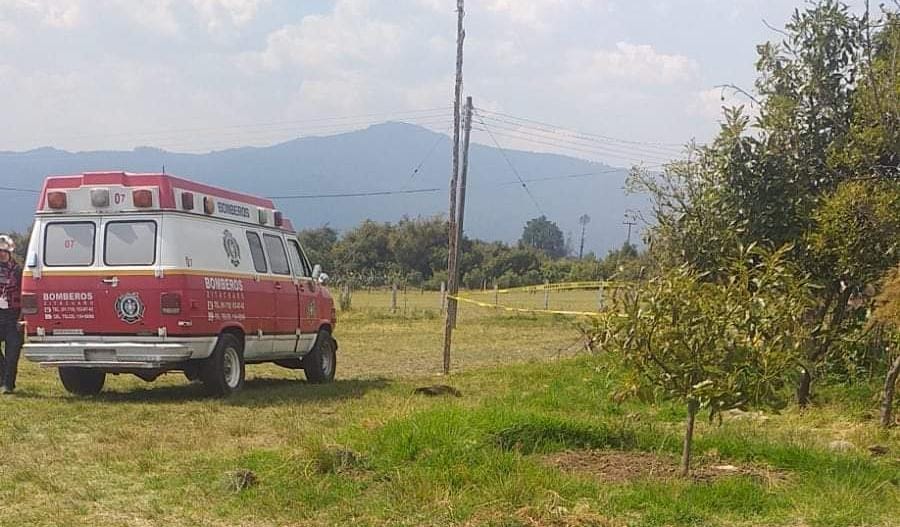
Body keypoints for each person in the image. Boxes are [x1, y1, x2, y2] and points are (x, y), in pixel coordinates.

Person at [0, 234, 22, 394]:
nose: (1, 254)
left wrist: (22, 317)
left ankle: (9, 384)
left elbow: (25, 294)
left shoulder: (18, 271)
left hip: (14, 314)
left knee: (12, 352)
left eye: (4, 251)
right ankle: (2, 376)